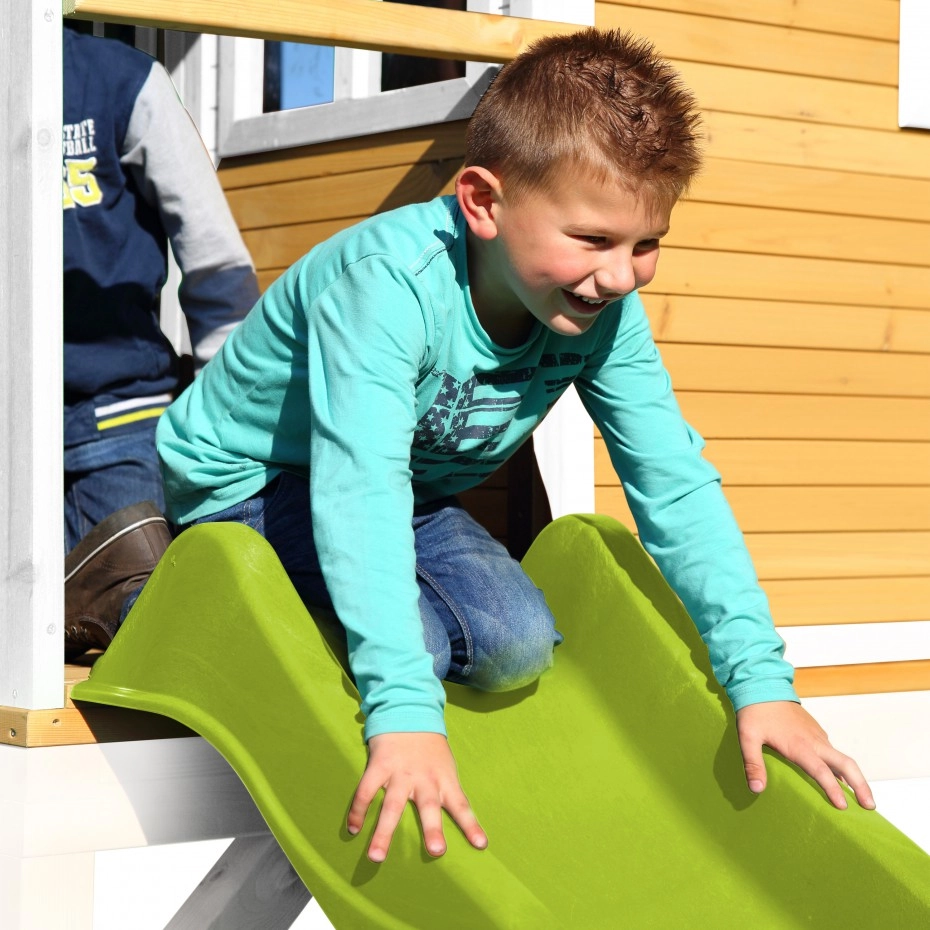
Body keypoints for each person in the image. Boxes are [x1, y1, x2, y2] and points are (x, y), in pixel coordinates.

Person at [153, 28, 874, 863]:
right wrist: (404, 714)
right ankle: (151, 591)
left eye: (646, 244)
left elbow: (674, 485)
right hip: (250, 483)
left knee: (517, 643)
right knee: (417, 651)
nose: (620, 275)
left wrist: (762, 683)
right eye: (594, 240)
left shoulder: (605, 315)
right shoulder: (387, 286)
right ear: (483, 203)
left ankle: (357, 617)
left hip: (405, 497)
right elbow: (359, 486)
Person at [61, 26, 259, 658]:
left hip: (117, 412)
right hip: (15, 429)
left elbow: (216, 266)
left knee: (160, 617)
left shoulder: (121, 81)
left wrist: (229, 428)